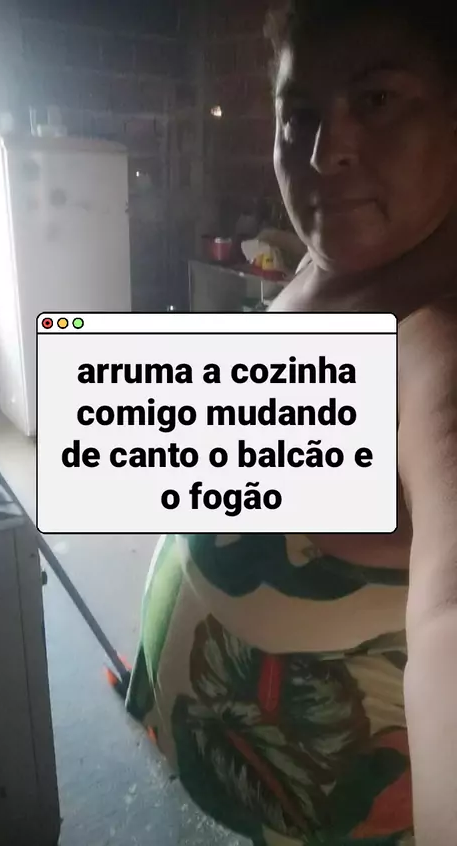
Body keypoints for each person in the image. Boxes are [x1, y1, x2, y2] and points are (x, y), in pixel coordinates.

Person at [126, 2, 457, 844]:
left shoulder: (436, 338)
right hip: (215, 752)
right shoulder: (340, 255)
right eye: (298, 114)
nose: (322, 152)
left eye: (377, 99)